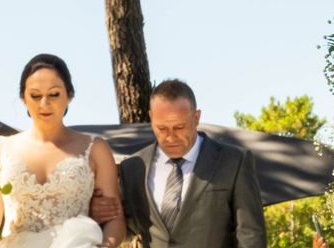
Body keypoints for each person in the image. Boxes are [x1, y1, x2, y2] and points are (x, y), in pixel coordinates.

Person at [0, 53, 126, 248]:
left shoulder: (96, 149)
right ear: (23, 98)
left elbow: (115, 218)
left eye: (54, 94)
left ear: (69, 95)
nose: (44, 104)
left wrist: (107, 246)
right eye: (35, 96)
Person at [91, 79, 266, 247]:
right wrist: (100, 215)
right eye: (162, 128)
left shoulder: (234, 162)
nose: (170, 137)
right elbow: (127, 228)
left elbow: (251, 236)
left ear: (196, 118)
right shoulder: (133, 167)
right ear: (151, 118)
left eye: (179, 127)